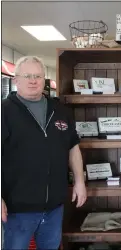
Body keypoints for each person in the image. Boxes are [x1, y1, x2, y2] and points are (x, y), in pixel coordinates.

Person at [1, 56, 87, 249]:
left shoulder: (60, 110)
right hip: (18, 209)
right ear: (16, 80)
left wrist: (80, 182)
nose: (33, 80)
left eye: (38, 76)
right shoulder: (4, 112)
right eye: (28, 76)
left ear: (44, 79)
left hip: (54, 207)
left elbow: (73, 147)